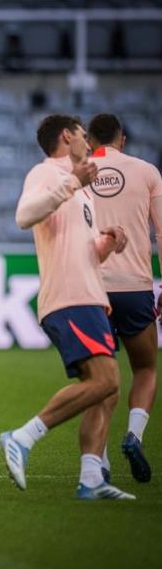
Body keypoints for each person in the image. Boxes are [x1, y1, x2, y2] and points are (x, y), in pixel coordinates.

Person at [0, 114, 133, 500]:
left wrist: (109, 243)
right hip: (69, 296)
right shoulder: (47, 173)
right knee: (105, 380)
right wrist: (73, 182)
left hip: (91, 295)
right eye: (81, 134)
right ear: (66, 136)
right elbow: (24, 216)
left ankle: (92, 478)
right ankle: (22, 437)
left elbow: (85, 251)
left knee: (106, 391)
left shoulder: (84, 187)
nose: (88, 142)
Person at [87, 113, 161, 483]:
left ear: (88, 139)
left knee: (101, 378)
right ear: (124, 140)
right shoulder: (147, 172)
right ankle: (134, 434)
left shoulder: (79, 174)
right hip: (135, 286)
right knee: (145, 368)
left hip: (92, 289)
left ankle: (98, 461)